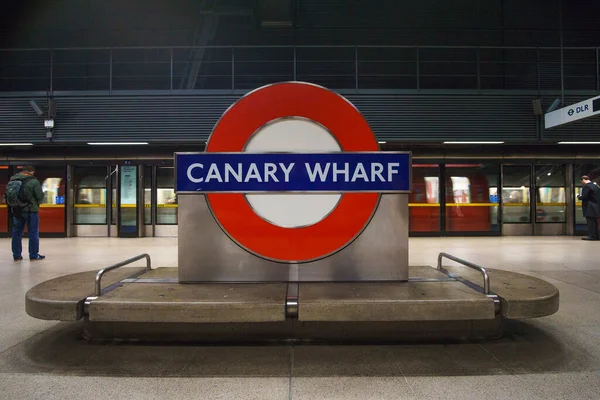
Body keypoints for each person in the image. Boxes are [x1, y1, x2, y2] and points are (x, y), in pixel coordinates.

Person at [6, 166, 45, 260]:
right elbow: (40, 197)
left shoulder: (12, 180)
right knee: (33, 232)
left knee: (16, 232)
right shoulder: (33, 181)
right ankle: (33, 255)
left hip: (16, 210)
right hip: (31, 210)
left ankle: (16, 255)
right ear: (31, 172)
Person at [577, 175, 600, 241]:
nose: (582, 183)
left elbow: (584, 197)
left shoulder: (587, 186)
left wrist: (578, 196)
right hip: (596, 206)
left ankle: (591, 236)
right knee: (595, 223)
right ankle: (597, 236)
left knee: (590, 223)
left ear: (583, 180)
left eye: (582, 181)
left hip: (589, 207)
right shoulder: (596, 186)